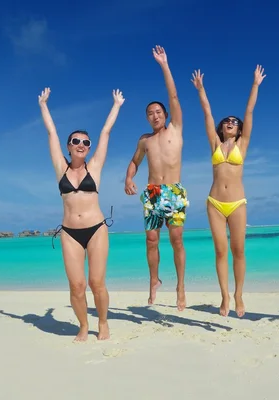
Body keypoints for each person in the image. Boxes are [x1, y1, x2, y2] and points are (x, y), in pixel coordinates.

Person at [39, 87, 124, 342]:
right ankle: (84, 325)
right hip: (69, 233)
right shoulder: (60, 168)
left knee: (96, 282)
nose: (81, 145)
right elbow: (51, 132)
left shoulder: (94, 167)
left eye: (85, 142)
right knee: (77, 285)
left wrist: (116, 105)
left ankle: (104, 322)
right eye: (76, 141)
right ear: (69, 146)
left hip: (96, 229)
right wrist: (43, 105)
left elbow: (106, 132)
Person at [190, 65, 267, 318]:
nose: (230, 123)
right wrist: (201, 90)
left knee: (239, 251)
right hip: (214, 203)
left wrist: (255, 84)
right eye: (227, 122)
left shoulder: (243, 144)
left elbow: (250, 111)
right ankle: (224, 296)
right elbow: (207, 113)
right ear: (221, 128)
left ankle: (239, 295)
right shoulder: (214, 142)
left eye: (234, 122)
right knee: (221, 251)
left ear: (240, 129)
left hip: (236, 203)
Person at [124, 45, 189, 311]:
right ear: (147, 118)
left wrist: (164, 64)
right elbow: (134, 162)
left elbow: (173, 95)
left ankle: (181, 287)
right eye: (150, 113)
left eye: (158, 112)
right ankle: (154, 280)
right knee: (151, 240)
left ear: (165, 114)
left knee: (176, 240)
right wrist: (128, 178)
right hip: (152, 193)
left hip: (173, 191)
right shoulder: (145, 140)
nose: (155, 116)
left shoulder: (176, 128)